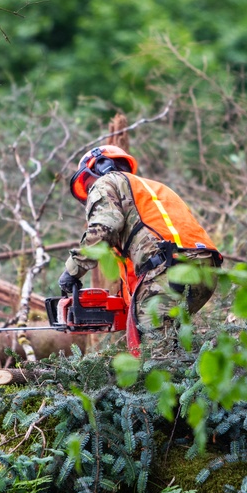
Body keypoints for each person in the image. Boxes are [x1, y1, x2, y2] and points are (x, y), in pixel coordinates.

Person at [59, 145, 222, 354]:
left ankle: (163, 381)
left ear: (102, 166)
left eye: (88, 182)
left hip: (168, 270)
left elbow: (103, 230)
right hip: (205, 267)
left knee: (154, 352)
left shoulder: (106, 182)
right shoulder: (154, 191)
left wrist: (72, 270)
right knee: (168, 337)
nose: (91, 188)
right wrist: (128, 310)